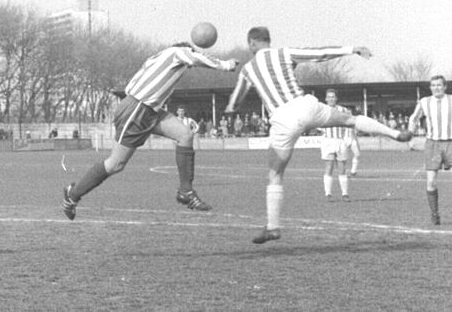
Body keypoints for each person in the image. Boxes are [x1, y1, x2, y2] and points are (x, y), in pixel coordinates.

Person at [224, 27, 412, 244]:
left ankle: (273, 227)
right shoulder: (283, 53)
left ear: (251, 43)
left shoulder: (248, 69)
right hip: (306, 106)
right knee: (349, 120)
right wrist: (352, 49)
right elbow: (319, 54)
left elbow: (236, 102)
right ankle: (395, 133)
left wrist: (230, 107)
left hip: (283, 119)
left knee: (275, 174)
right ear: (268, 40)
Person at [61, 40, 239, 220]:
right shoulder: (177, 52)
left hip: (148, 110)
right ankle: (73, 194)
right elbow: (192, 56)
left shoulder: (157, 58)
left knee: (185, 135)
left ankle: (186, 191)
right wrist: (225, 65)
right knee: (115, 164)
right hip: (136, 109)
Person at [408, 75, 452, 226]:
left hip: (451, 143)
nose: (436, 88)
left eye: (439, 85)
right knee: (431, 181)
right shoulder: (424, 102)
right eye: (433, 85)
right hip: (433, 144)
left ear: (445, 86)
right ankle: (435, 214)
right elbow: (413, 119)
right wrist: (409, 132)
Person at [318, 89, 353, 201]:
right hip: (328, 141)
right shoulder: (322, 110)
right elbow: (317, 124)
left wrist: (348, 138)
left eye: (333, 97)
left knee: (342, 168)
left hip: (340, 141)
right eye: (329, 97)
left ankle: (345, 194)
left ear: (336, 98)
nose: (331, 99)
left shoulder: (343, 110)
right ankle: (328, 194)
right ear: (326, 98)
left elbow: (349, 124)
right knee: (329, 167)